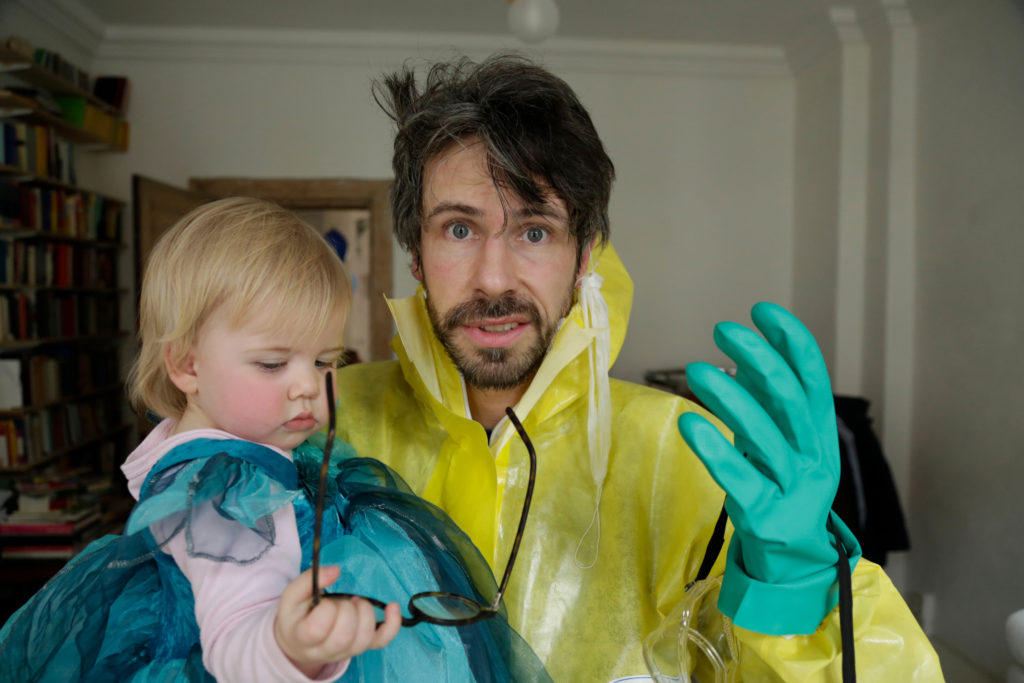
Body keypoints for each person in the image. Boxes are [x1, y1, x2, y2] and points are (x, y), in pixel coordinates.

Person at [335, 54, 946, 681]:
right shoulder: (320, 426)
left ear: (584, 258)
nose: (494, 278)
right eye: (459, 229)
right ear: (415, 253)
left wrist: (793, 589)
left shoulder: (685, 458)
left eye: (536, 231)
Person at [0, 197, 549, 682]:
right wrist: (290, 648)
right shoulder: (220, 490)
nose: (308, 385)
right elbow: (235, 637)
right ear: (187, 366)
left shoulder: (223, 447)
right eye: (272, 364)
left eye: (324, 361)